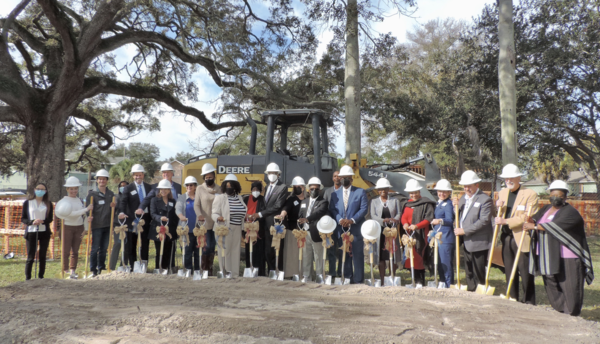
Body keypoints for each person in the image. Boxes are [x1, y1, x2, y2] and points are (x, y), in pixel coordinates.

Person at [525, 180, 594, 316]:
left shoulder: (570, 213)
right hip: (548, 254)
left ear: (565, 197)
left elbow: (554, 226)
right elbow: (535, 219)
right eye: (553, 194)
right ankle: (561, 310)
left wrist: (533, 226)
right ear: (549, 194)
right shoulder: (546, 209)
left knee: (570, 286)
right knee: (550, 281)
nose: (555, 197)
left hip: (568, 255)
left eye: (559, 195)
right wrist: (530, 220)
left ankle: (572, 313)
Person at [495, 163, 538, 304]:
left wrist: (506, 221)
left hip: (521, 238)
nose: (508, 180)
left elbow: (527, 216)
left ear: (519, 177)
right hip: (506, 237)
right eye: (506, 178)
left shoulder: (530, 194)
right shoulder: (502, 193)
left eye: (512, 177)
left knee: (525, 271)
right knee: (508, 269)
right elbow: (499, 215)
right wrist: (498, 208)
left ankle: (529, 301)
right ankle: (512, 298)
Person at [452, 170, 493, 291]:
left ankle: (480, 293)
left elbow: (483, 221)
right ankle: (471, 292)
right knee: (468, 270)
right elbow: (460, 216)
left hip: (479, 242)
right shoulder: (463, 199)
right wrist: (456, 207)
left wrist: (464, 231)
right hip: (467, 241)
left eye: (469, 186)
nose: (467, 188)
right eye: (465, 186)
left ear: (477, 185)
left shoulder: (485, 200)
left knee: (478, 271)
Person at [246, 162, 289, 273]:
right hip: (265, 224)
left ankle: (277, 271)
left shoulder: (282, 187)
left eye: (274, 173)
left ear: (278, 174)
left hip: (276, 224)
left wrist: (260, 214)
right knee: (267, 250)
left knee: (277, 249)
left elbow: (277, 206)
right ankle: (270, 271)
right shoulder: (266, 187)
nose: (271, 175)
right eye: (269, 173)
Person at [329, 165, 368, 283]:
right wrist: (340, 219)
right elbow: (332, 209)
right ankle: (347, 278)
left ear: (351, 179)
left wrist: (352, 220)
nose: (344, 179)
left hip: (355, 228)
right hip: (341, 229)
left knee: (357, 254)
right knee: (344, 254)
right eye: (342, 177)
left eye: (347, 177)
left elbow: (364, 209)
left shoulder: (360, 192)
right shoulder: (334, 194)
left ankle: (358, 279)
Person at [400, 179, 436, 286]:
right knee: (410, 257)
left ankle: (420, 281)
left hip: (421, 235)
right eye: (411, 193)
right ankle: (413, 280)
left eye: (415, 192)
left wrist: (417, 226)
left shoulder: (426, 203)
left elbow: (428, 219)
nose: (413, 195)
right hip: (409, 235)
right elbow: (404, 217)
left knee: (419, 258)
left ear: (419, 192)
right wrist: (405, 224)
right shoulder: (406, 204)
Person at [56, 176, 93, 279]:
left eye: (75, 188)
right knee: (66, 251)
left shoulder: (80, 200)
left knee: (75, 251)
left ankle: (73, 270)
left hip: (79, 228)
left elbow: (83, 216)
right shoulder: (63, 201)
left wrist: (85, 228)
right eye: (71, 189)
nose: (74, 191)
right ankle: (65, 270)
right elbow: (70, 214)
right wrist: (85, 210)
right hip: (67, 227)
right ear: (67, 189)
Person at [212, 174, 247, 277]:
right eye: (227, 185)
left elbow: (243, 211)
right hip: (224, 228)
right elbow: (214, 213)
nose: (229, 188)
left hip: (237, 228)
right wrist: (218, 218)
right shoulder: (220, 198)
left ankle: (234, 274)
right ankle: (225, 272)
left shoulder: (240, 198)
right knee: (225, 250)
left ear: (235, 186)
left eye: (231, 185)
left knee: (236, 251)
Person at [118, 164, 152, 270]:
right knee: (132, 244)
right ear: (133, 176)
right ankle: (133, 266)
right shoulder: (128, 188)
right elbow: (123, 202)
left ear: (143, 175)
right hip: (132, 220)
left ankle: (144, 266)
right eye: (136, 175)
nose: (138, 177)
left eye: (140, 175)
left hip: (146, 219)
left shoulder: (148, 187)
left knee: (145, 243)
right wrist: (121, 212)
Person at [369, 178, 402, 286]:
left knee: (392, 253)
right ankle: (382, 279)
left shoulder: (395, 200)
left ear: (388, 189)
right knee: (381, 256)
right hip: (380, 232)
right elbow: (373, 215)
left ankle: (391, 276)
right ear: (378, 190)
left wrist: (394, 219)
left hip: (392, 231)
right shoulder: (374, 201)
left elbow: (398, 213)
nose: (382, 191)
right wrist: (383, 220)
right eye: (380, 189)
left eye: (385, 189)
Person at [298, 177, 329, 280]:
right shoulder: (304, 202)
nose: (314, 190)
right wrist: (300, 220)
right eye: (311, 188)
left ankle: (320, 276)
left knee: (319, 256)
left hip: (316, 233)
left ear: (320, 190)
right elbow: (300, 214)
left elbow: (318, 213)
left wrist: (307, 219)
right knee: (306, 255)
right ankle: (306, 275)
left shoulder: (323, 202)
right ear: (308, 189)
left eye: (316, 189)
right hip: (305, 233)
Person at [86, 169, 116, 277]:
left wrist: (114, 207)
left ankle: (101, 268)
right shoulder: (92, 195)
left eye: (104, 179)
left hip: (108, 226)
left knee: (104, 249)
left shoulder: (111, 195)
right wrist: (88, 217)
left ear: (107, 180)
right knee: (95, 249)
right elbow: (88, 210)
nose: (102, 181)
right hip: (97, 226)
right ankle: (93, 269)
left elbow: (114, 211)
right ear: (97, 180)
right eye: (100, 179)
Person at [21, 183, 54, 280]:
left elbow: (50, 218)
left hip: (44, 231)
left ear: (45, 191)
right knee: (31, 256)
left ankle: (41, 277)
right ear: (35, 190)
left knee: (43, 256)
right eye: (38, 189)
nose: (40, 191)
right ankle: (28, 278)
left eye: (42, 189)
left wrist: (43, 221)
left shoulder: (48, 203)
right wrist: (32, 222)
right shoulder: (28, 202)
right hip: (31, 231)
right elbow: (23, 218)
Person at [194, 163, 220, 275]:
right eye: (206, 177)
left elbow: (221, 203)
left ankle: (210, 270)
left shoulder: (219, 189)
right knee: (205, 246)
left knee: (212, 247)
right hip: (203, 223)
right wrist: (199, 215)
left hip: (216, 223)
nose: (208, 179)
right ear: (204, 178)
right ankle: (203, 269)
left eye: (210, 177)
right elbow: (196, 205)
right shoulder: (199, 188)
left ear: (214, 176)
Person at [149, 179, 179, 271]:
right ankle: (159, 268)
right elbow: (153, 214)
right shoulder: (154, 200)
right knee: (159, 251)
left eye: (166, 189)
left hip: (170, 230)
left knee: (170, 251)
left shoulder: (173, 201)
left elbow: (175, 215)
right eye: (161, 189)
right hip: (159, 229)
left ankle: (169, 268)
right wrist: (160, 218)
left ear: (169, 190)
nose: (163, 191)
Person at [430, 179, 455, 288]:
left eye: (445, 191)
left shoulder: (448, 204)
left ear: (449, 192)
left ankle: (449, 285)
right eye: (440, 191)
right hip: (438, 236)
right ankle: (442, 283)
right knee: (440, 263)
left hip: (446, 238)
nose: (442, 194)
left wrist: (440, 220)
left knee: (446, 264)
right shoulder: (438, 203)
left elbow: (450, 220)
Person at [279, 176, 305, 278]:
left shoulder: (308, 199)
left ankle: (303, 274)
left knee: (304, 254)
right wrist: (282, 215)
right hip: (292, 229)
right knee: (292, 253)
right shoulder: (291, 199)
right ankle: (291, 274)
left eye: (298, 186)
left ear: (303, 187)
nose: (296, 188)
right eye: (294, 187)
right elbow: (286, 209)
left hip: (305, 231)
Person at [243, 181, 267, 276]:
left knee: (259, 252)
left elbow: (264, 213)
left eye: (257, 189)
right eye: (253, 189)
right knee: (249, 251)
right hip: (247, 230)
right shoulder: (245, 199)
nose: (255, 191)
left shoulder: (263, 200)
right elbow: (242, 211)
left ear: (260, 190)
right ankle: (249, 268)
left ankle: (260, 272)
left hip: (258, 231)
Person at [176, 176, 199, 271]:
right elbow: (178, 209)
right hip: (186, 230)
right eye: (187, 185)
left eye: (191, 185)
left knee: (198, 252)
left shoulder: (199, 198)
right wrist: (181, 217)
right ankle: (188, 270)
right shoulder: (181, 197)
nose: (189, 186)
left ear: (195, 186)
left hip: (198, 230)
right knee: (187, 252)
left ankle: (198, 271)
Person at [323, 170, 342, 277]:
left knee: (342, 250)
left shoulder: (345, 191)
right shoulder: (327, 191)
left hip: (342, 226)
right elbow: (325, 207)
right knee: (331, 251)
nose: (337, 178)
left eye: (339, 176)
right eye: (335, 176)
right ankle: (331, 273)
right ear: (332, 178)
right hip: (330, 226)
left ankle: (340, 273)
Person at [109, 181, 130, 270]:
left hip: (128, 223)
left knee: (127, 245)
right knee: (117, 244)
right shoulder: (116, 197)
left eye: (125, 186)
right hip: (118, 224)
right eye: (121, 186)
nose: (123, 188)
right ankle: (112, 266)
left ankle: (123, 265)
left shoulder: (130, 197)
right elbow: (113, 211)